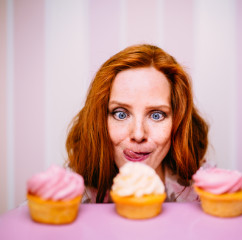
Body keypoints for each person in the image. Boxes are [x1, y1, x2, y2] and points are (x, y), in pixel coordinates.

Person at [66, 44, 208, 203]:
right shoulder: (70, 192)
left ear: (178, 121)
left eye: (156, 115)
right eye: (121, 114)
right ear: (98, 120)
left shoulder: (203, 189)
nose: (138, 134)